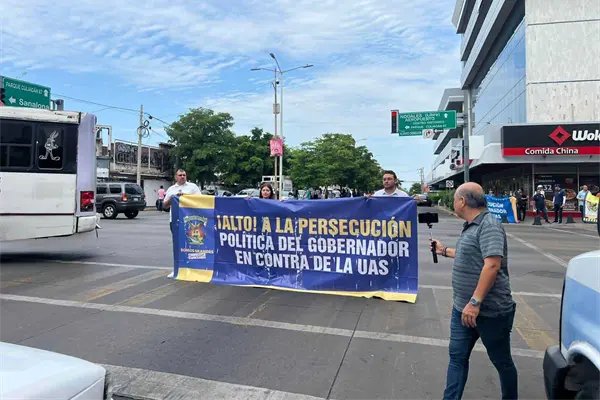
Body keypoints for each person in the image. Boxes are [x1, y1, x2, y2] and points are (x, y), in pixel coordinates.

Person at [431, 182, 517, 400]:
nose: (453, 203)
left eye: (454, 199)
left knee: (502, 362)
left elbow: (492, 265)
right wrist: (443, 251)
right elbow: (472, 254)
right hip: (463, 309)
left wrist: (475, 302)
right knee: (457, 358)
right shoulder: (472, 225)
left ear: (462, 201)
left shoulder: (489, 225)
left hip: (490, 312)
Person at [163, 169, 201, 234]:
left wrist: (186, 196)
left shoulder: (193, 187)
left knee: (190, 239)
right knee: (177, 239)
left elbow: (200, 201)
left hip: (191, 219)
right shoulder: (171, 189)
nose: (182, 177)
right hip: (175, 220)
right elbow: (165, 206)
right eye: (180, 175)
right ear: (176, 177)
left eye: (184, 175)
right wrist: (173, 198)